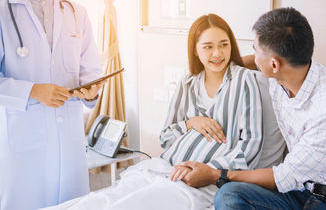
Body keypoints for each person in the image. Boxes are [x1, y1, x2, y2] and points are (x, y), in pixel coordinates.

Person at [45, 14, 271, 210]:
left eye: (224, 44)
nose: (217, 53)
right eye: (208, 46)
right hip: (166, 166)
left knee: (131, 204)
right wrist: (190, 123)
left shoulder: (244, 80)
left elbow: (251, 145)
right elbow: (166, 138)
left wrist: (210, 171)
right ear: (195, 49)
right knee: (105, 199)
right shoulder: (188, 82)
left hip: (203, 180)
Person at [178, 8, 326, 210]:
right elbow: (246, 63)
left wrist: (214, 175)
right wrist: (212, 65)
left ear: (274, 64)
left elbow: (284, 177)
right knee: (229, 196)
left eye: (256, 50)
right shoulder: (284, 73)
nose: (253, 57)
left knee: (226, 186)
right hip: (301, 191)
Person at [0, 0, 104, 209]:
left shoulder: (76, 13)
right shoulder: (3, 13)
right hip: (24, 143)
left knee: (74, 204)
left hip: (68, 139)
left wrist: (91, 91)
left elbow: (91, 70)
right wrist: (33, 91)